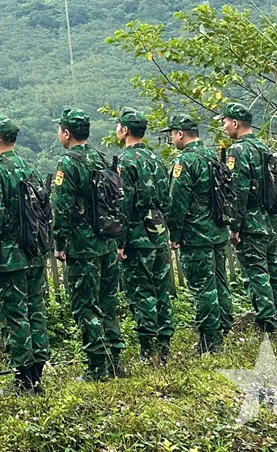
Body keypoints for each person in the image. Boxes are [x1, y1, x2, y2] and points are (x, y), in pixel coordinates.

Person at [51, 107, 123, 380]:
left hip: (83, 247)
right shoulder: (102, 159)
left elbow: (62, 208)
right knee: (107, 303)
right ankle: (115, 360)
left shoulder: (69, 164)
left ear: (67, 133)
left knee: (85, 305)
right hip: (106, 241)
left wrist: (60, 243)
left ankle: (97, 367)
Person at [0, 114, 50, 393]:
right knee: (36, 311)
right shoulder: (30, 169)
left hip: (9, 257)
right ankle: (36, 375)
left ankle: (23, 380)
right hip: (34, 252)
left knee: (15, 317)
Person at [221, 102, 277, 335]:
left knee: (256, 273)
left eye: (225, 122)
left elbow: (238, 191)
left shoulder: (238, 151)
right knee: (276, 272)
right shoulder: (266, 147)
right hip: (270, 221)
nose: (224, 127)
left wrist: (234, 225)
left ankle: (268, 325)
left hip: (251, 224)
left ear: (235, 123)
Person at [164, 113, 234, 354]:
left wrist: (174, 233)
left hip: (196, 235)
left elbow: (177, 202)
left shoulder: (186, 161)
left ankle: (210, 341)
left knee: (203, 288)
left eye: (172, 134)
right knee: (220, 283)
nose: (172, 139)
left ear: (180, 134)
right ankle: (224, 329)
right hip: (217, 230)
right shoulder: (213, 155)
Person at [114, 109, 174, 362]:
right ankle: (165, 346)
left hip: (136, 233)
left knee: (141, 291)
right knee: (162, 288)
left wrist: (120, 241)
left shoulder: (125, 161)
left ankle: (148, 349)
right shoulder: (156, 158)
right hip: (158, 231)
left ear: (125, 130)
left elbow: (123, 204)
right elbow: (168, 198)